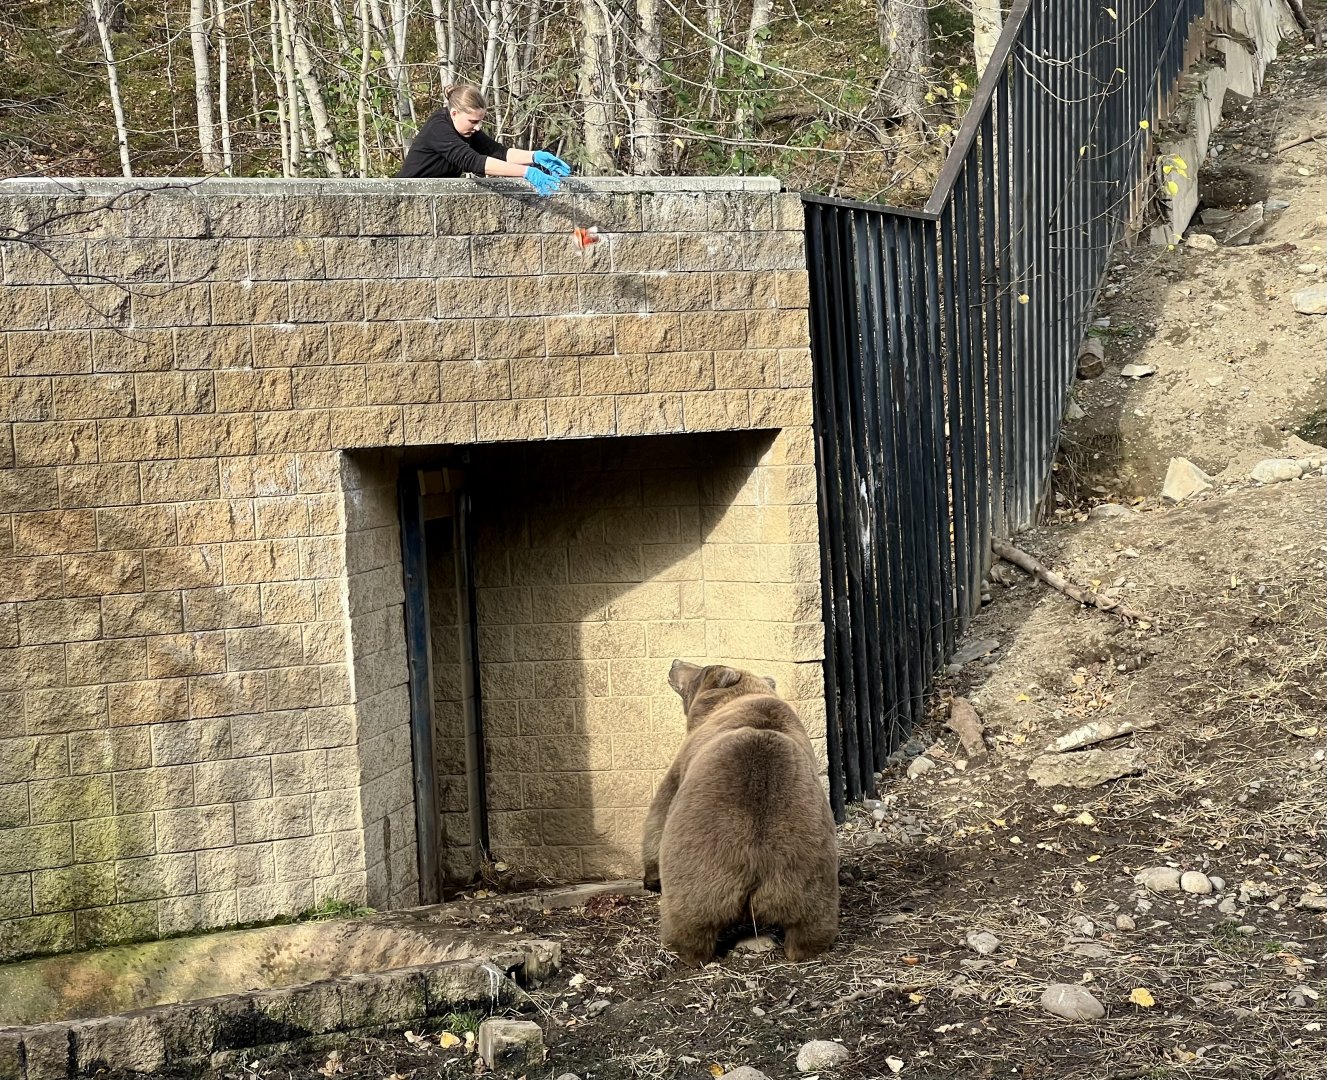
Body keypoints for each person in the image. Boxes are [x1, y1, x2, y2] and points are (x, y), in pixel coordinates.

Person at [397, 84, 571, 196]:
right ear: (454, 114)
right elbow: (472, 162)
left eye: (480, 121)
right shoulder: (438, 128)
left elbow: (498, 152)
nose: (477, 127)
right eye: (473, 121)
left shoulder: (467, 130)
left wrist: (534, 157)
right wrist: (526, 172)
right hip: (408, 195)